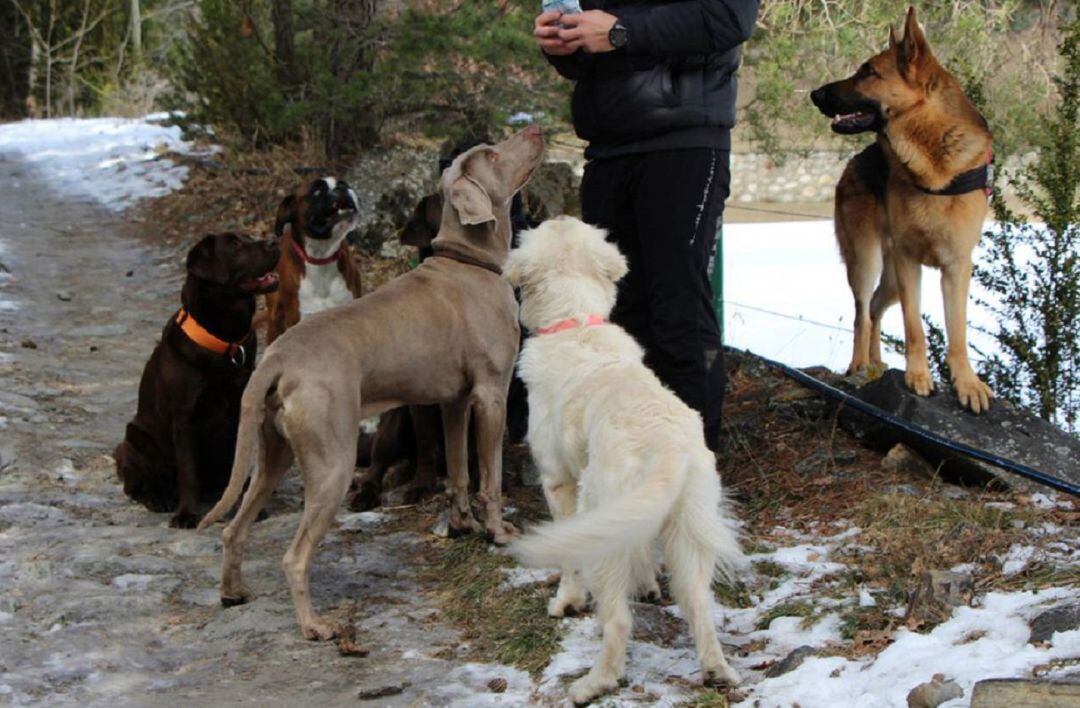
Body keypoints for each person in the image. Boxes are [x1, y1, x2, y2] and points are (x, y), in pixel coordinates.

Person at [533, 1, 759, 451]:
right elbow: (593, 51)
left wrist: (622, 33)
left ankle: (692, 464)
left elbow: (730, 18)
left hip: (685, 142)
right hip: (608, 148)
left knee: (678, 309)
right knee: (619, 313)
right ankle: (636, 459)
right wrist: (563, 43)